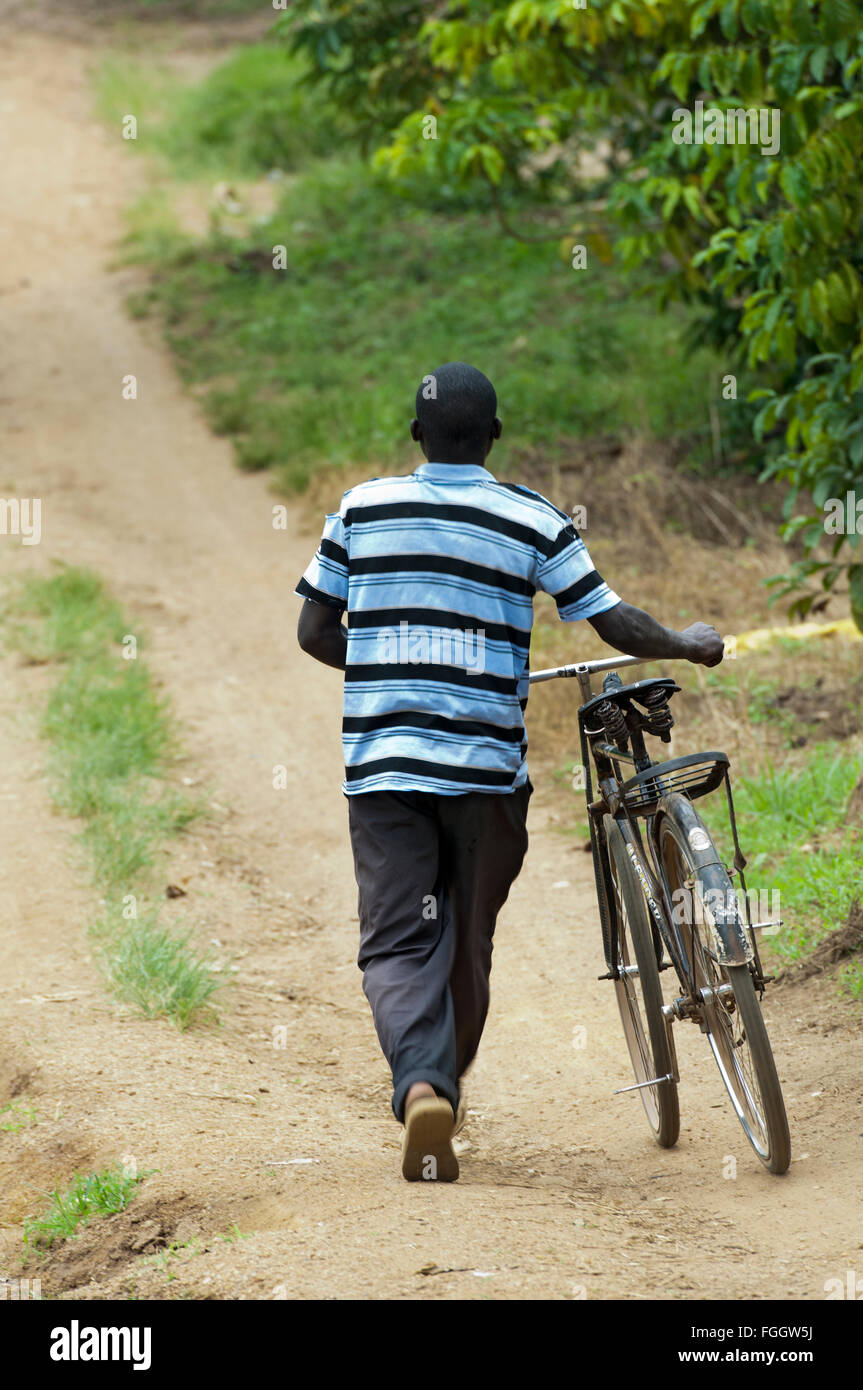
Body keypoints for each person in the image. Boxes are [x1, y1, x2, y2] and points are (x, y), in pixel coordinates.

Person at [295, 362, 724, 1182]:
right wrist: (685, 642)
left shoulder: (361, 507)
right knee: (468, 941)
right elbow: (608, 620)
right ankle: (441, 1087)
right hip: (487, 775)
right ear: (494, 436)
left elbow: (315, 632)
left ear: (415, 435)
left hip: (385, 769)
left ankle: (421, 1085)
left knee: (394, 941)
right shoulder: (530, 516)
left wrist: (392, 661)